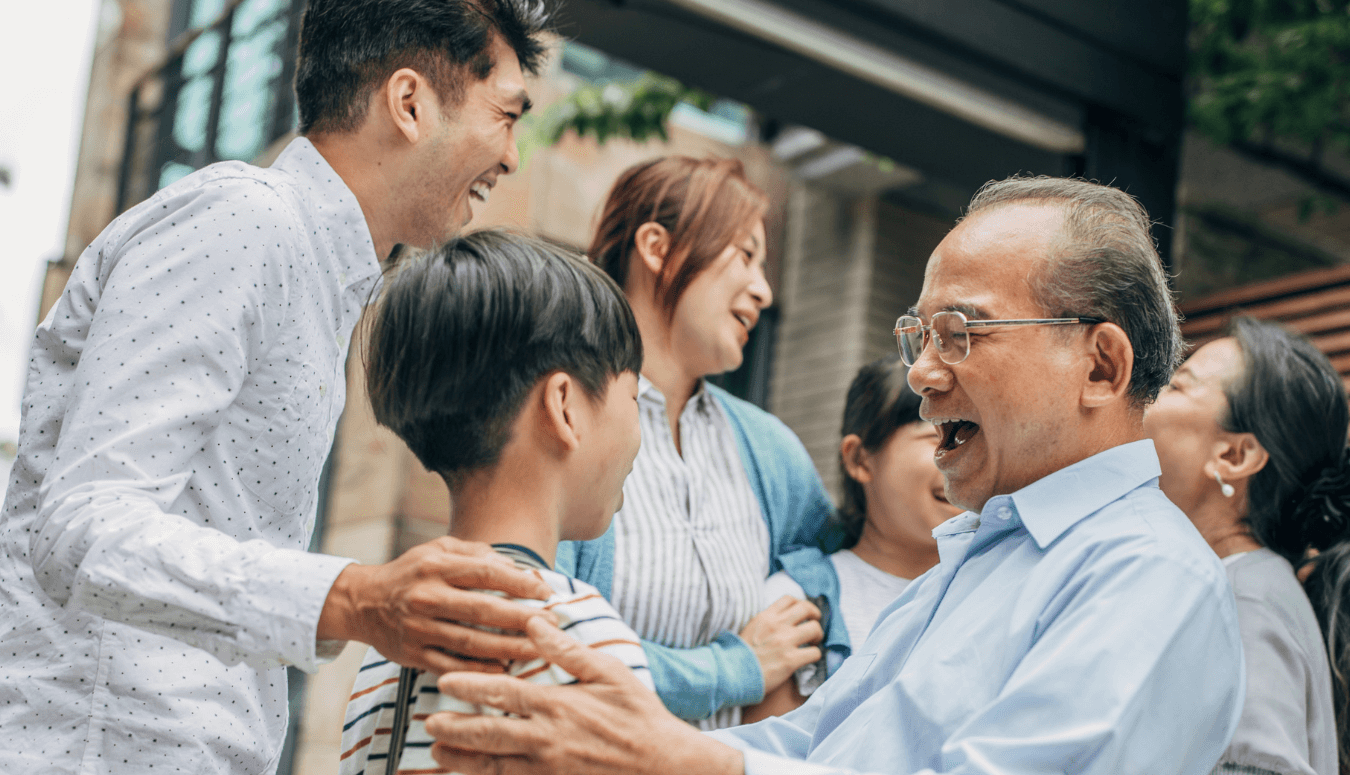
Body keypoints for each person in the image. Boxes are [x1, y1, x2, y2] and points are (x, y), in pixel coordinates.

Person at [0, 0, 566, 773]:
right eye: (506, 113)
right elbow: (86, 528)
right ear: (411, 103)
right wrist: (356, 599)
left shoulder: (323, 273)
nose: (512, 155)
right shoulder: (245, 224)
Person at [422, 176, 1247, 775]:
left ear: (1101, 365)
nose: (922, 373)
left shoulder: (1149, 577)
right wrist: (631, 741)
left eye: (960, 333)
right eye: (917, 335)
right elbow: (813, 745)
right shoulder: (971, 559)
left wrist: (679, 758)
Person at [341, 230, 658, 775]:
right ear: (563, 406)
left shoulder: (382, 657)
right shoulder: (579, 636)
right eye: (634, 397)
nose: (638, 431)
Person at [554, 156, 835, 728]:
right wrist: (738, 668)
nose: (763, 290)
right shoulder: (563, 420)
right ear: (657, 248)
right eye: (746, 257)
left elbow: (833, 568)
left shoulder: (771, 451)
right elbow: (554, 641)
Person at [1143, 317, 1350, 775]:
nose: (1147, 396)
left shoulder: (1244, 601)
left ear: (1234, 457)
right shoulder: (1240, 588)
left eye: (1177, 386)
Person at [748, 353, 964, 721]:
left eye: (968, 435)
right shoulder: (801, 604)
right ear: (860, 459)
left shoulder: (996, 584)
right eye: (937, 434)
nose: (957, 457)